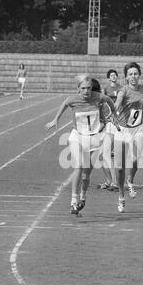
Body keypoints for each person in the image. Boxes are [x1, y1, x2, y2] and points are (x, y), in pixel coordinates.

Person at [45, 74, 118, 215]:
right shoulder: (73, 99)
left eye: (89, 88)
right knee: (78, 166)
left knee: (86, 176)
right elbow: (65, 104)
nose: (86, 91)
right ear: (78, 88)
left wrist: (114, 114)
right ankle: (73, 201)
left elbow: (109, 99)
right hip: (77, 137)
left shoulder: (98, 97)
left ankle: (83, 197)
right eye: (83, 88)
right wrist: (55, 119)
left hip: (94, 139)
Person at [113, 62, 143, 213]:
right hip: (123, 130)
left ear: (139, 74)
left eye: (135, 73)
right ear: (126, 77)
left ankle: (130, 181)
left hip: (138, 129)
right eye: (130, 74)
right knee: (120, 167)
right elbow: (117, 104)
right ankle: (121, 196)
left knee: (134, 160)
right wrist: (114, 113)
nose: (133, 76)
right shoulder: (123, 91)